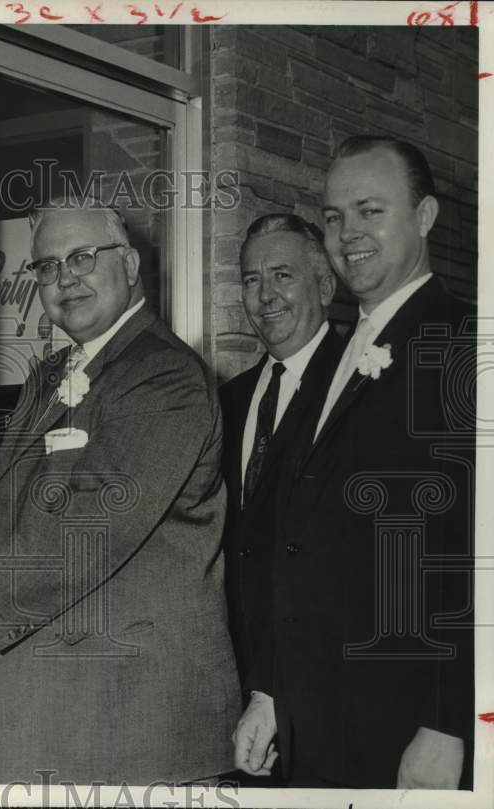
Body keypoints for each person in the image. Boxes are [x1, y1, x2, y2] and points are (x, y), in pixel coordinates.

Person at [0, 199, 240, 785]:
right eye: (47, 267)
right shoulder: (47, 376)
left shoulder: (164, 375)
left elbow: (93, 523)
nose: (64, 279)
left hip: (128, 728)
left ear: (130, 265)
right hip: (48, 721)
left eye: (81, 257)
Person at [233, 137, 475, 789]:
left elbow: (474, 558)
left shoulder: (462, 345)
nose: (348, 234)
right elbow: (305, 542)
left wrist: (451, 723)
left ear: (424, 216)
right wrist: (271, 692)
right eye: (335, 217)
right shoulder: (333, 357)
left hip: (407, 731)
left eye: (370, 211)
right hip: (318, 725)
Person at [220, 214, 343, 683]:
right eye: (252, 280)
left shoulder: (361, 389)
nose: (265, 295)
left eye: (282, 276)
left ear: (325, 288)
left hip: (328, 679)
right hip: (241, 677)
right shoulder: (228, 402)